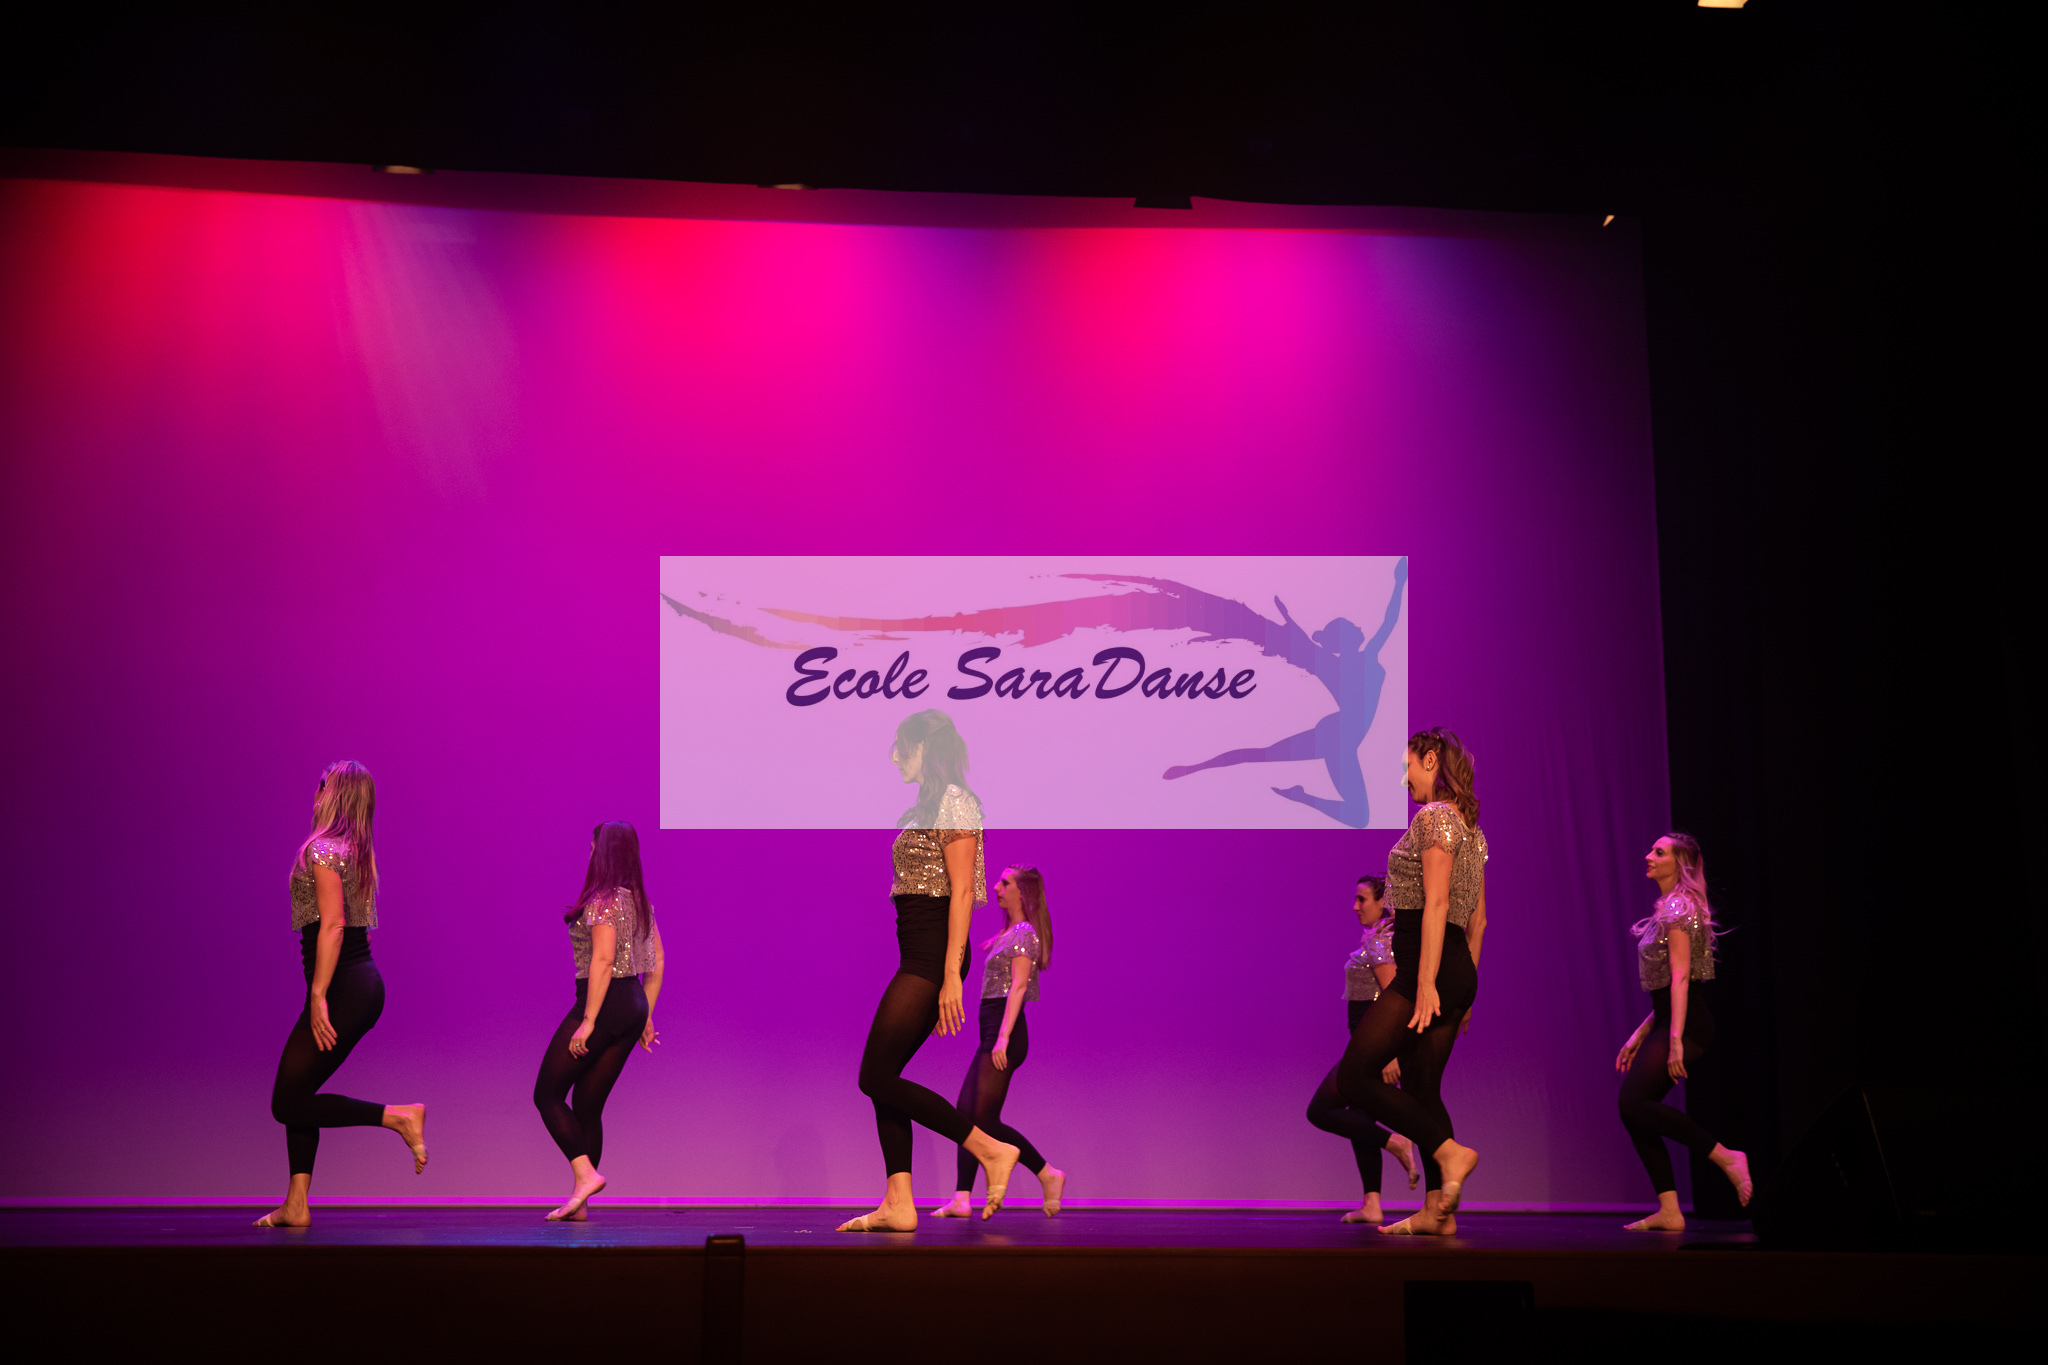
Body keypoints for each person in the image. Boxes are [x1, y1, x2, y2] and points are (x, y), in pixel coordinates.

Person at [839, 710, 1021, 1232]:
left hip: (933, 953)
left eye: (901, 746)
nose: (894, 756)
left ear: (923, 747)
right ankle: (898, 1202)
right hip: (918, 951)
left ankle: (989, 1149)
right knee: (883, 1077)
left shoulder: (957, 801)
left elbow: (961, 892)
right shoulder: (927, 807)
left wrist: (950, 975)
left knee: (874, 1075)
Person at [256, 761, 427, 1227]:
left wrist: (318, 995)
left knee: (285, 1101)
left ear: (336, 795)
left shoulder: (323, 849)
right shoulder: (356, 854)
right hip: (357, 984)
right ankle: (296, 1203)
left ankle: (399, 1117)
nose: (315, 791)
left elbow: (333, 926)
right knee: (297, 1093)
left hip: (344, 987)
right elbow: (354, 930)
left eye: (322, 785)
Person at [1334, 728, 1485, 1236]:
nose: (1404, 779)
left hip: (1428, 969)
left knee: (1354, 1077)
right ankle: (1438, 1211)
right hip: (1456, 969)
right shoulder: (1472, 828)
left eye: (1408, 767)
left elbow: (1437, 904)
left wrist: (1425, 983)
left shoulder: (1435, 816)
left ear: (1430, 760)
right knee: (1422, 1087)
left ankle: (1448, 1152)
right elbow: (1479, 922)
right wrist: (1464, 994)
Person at [1615, 833, 1753, 1231]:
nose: (1649, 856)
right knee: (1634, 1110)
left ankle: (1726, 1157)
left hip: (1689, 1024)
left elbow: (1681, 979)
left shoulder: (1678, 906)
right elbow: (1666, 991)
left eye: (1659, 852)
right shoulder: (1671, 906)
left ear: (1680, 864)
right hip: (1672, 1018)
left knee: (1633, 1103)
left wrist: (1675, 1040)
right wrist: (1642, 1034)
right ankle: (1670, 1209)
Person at [533, 821, 666, 1221]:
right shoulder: (639, 901)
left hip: (604, 1003)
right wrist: (645, 1013)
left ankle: (585, 1174)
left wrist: (588, 1021)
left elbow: (604, 960)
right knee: (588, 1106)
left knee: (547, 1094)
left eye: (592, 847)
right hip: (631, 1004)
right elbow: (657, 961)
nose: (589, 853)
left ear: (601, 851)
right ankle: (581, 1201)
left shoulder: (604, 900)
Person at [933, 865, 1069, 1219]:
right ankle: (962, 1197)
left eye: (1004, 882)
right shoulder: (1007, 933)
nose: (996, 887)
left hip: (1005, 1031)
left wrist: (1003, 1038)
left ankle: (1048, 1174)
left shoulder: (1024, 932)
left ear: (1022, 892)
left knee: (983, 1118)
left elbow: (1019, 987)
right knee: (966, 1114)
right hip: (992, 1029)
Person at [1304, 875, 1420, 1222]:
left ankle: (1396, 1142)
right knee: (1359, 1115)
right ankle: (1372, 1203)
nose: (1355, 906)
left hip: (1372, 1047)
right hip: (1363, 1042)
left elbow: (1392, 1000)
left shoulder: (1382, 942)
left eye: (1362, 899)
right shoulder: (1376, 938)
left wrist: (1390, 1053)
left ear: (1383, 902)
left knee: (1320, 1110)